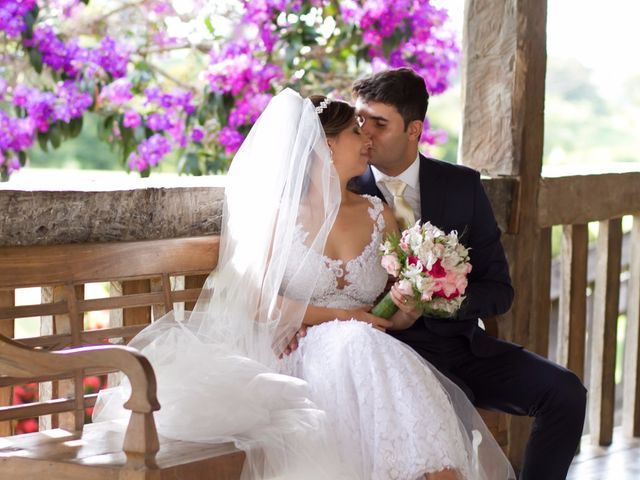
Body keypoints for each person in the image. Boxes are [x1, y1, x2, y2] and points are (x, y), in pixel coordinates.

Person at [94, 88, 514, 479]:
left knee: (362, 346)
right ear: (325, 144)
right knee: (357, 343)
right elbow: (259, 304)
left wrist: (412, 300)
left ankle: (434, 469)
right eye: (355, 130)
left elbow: (392, 321)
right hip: (293, 356)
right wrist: (343, 318)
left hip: (366, 355)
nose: (366, 137)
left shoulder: (379, 213)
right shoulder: (279, 216)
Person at [352, 67, 587, 480]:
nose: (365, 133)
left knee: (565, 392)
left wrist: (446, 297)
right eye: (360, 121)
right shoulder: (346, 189)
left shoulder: (460, 185)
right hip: (388, 361)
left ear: (414, 130)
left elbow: (499, 289)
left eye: (379, 123)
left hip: (462, 346)